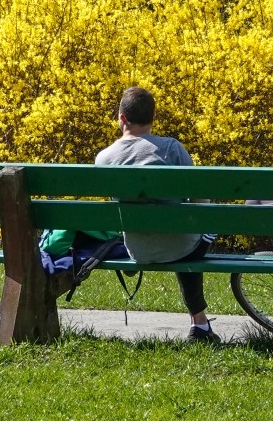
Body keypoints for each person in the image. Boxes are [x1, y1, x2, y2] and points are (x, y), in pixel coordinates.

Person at [94, 86, 219, 343]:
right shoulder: (171, 148)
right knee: (202, 227)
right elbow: (201, 202)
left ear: (121, 118)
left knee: (181, 231)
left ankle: (201, 324)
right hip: (183, 247)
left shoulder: (103, 159)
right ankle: (199, 324)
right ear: (153, 118)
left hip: (138, 249)